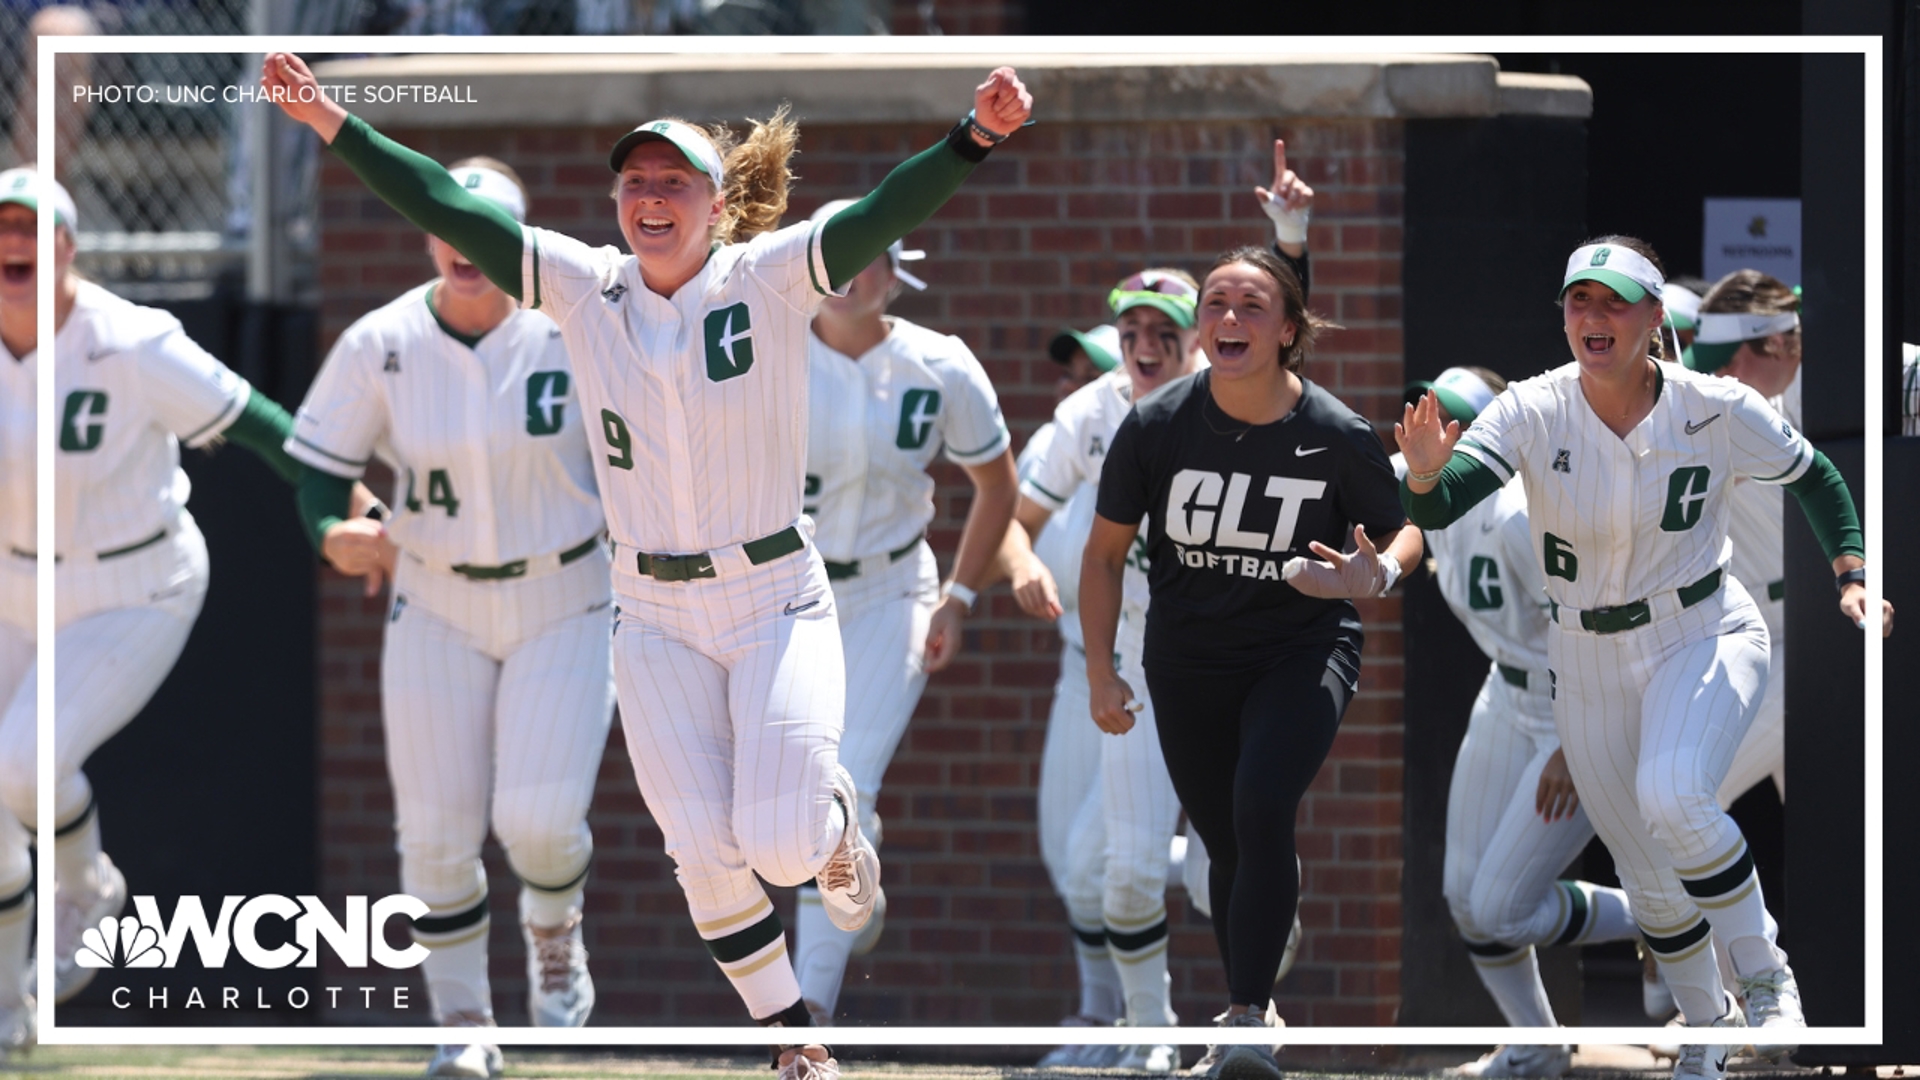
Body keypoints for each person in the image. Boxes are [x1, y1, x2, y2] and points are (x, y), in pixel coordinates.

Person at [263, 52, 1030, 1080]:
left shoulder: (767, 274)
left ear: (717, 203)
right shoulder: (583, 287)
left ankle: (839, 826)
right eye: (636, 181)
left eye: (675, 181)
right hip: (651, 610)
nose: (651, 197)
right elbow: (443, 198)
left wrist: (971, 138)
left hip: (771, 596)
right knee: (701, 852)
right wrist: (329, 121)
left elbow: (879, 216)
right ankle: (794, 1038)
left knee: (786, 843)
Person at [1398, 236, 1872, 1080]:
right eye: (1580, 299)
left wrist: (1852, 573)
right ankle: (1704, 1029)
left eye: (1616, 300)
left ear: (1656, 316)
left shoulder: (1715, 402)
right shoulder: (1537, 405)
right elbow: (1444, 500)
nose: (1594, 316)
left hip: (1703, 627)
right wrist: (1428, 480)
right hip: (1585, 655)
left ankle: (1766, 979)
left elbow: (1818, 476)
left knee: (1676, 794)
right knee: (1650, 882)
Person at [285, 157, 614, 1076]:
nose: (466, 242)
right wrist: (327, 532)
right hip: (433, 593)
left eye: (488, 225)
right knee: (433, 832)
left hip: (566, 589)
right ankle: (464, 1024)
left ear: (519, 239)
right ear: (429, 235)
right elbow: (319, 463)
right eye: (453, 222)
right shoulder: (379, 340)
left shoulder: (575, 325)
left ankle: (555, 932)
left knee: (541, 821)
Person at [0, 166, 348, 1025]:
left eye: (30, 229)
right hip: (13, 578)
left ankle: (85, 888)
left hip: (136, 580)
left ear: (69, 250)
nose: (12, 244)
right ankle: (10, 1008)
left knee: (25, 764)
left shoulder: (135, 340)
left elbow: (267, 426)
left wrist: (342, 507)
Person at [1089, 245, 1420, 1080]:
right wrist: (1102, 667)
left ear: (1288, 330)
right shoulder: (1156, 423)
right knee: (1227, 843)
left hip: (1301, 647)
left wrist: (1372, 574)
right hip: (1186, 658)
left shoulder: (1336, 433)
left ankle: (1244, 1020)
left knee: (1262, 802)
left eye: (1251, 306)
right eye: (1215, 304)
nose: (1229, 319)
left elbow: (1407, 528)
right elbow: (1102, 558)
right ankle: (1256, 992)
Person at [792, 198, 1017, 1024]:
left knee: (841, 786)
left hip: (894, 589)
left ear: (896, 272)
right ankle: (861, 872)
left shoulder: (941, 363)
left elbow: (997, 482)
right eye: (835, 257)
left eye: (868, 257)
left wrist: (958, 595)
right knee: (782, 801)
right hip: (787, 591)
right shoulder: (762, 352)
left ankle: (807, 1012)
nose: (851, 275)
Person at [1394, 368, 1641, 1079]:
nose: (1431, 435)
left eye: (1453, 423)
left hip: (1582, 702)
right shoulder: (1425, 481)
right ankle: (1538, 1043)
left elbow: (1598, 627)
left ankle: (1673, 914)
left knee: (1500, 909)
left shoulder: (1517, 512)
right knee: (1466, 901)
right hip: (1507, 692)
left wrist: (1573, 737)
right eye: (1428, 418)